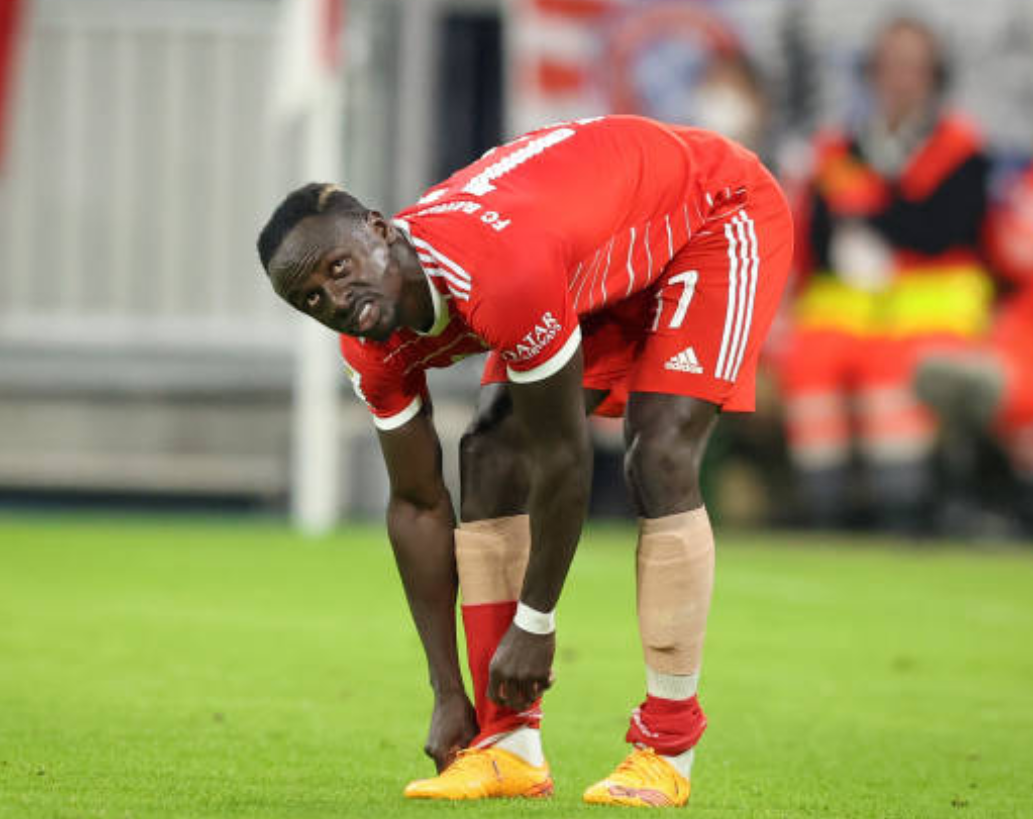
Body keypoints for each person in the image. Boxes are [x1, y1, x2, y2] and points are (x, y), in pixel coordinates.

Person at [257, 115, 793, 806]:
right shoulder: (369, 346)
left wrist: (535, 623)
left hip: (711, 213)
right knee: (489, 454)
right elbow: (416, 503)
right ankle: (505, 746)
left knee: (657, 451)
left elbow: (564, 458)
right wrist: (447, 691)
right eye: (311, 298)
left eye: (338, 268)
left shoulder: (497, 273)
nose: (335, 300)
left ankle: (666, 747)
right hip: (586, 246)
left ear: (380, 230)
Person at [779, 17, 992, 531]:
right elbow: (820, 238)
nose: (901, 80)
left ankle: (901, 514)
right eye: (890, 66)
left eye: (913, 68)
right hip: (846, 307)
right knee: (809, 364)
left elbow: (947, 230)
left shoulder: (960, 148)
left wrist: (872, 214)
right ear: (871, 74)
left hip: (929, 311)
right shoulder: (837, 150)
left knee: (892, 375)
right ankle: (824, 513)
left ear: (934, 76)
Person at [915, 159, 1033, 534]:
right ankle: (998, 506)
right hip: (1016, 320)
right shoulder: (1023, 184)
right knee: (983, 388)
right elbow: (1007, 249)